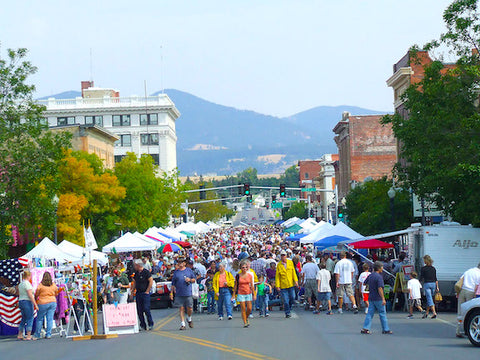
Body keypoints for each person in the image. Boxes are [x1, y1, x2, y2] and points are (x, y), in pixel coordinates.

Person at [361, 261, 392, 335]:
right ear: (379, 268)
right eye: (382, 267)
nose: (382, 268)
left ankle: (366, 328)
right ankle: (385, 329)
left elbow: (365, 283)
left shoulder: (370, 275)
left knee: (370, 313)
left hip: (371, 297)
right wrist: (383, 298)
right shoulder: (379, 277)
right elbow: (380, 288)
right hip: (378, 298)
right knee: (382, 313)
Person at [170, 257, 196, 330]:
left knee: (189, 308)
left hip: (188, 292)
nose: (180, 264)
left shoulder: (189, 270)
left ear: (184, 263)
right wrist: (171, 293)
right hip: (179, 293)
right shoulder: (176, 272)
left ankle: (189, 318)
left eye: (182, 262)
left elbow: (194, 279)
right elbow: (173, 283)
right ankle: (183, 324)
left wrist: (190, 280)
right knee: (181, 308)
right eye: (179, 262)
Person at [456, 262, 480, 337]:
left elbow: (460, 281)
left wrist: (458, 292)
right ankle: (469, 329)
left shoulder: (468, 271)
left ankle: (458, 331)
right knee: (468, 312)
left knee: (460, 311)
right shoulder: (479, 274)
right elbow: (476, 286)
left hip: (462, 291)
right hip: (471, 291)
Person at [33, 272, 59, 340]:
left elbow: (37, 293)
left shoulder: (40, 285)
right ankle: (48, 334)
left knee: (40, 319)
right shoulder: (53, 285)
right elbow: (56, 293)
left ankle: (37, 334)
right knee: (49, 319)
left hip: (42, 302)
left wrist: (36, 299)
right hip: (52, 302)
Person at [131, 259, 154, 331]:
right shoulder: (136, 273)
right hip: (138, 293)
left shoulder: (146, 272)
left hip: (145, 293)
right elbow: (134, 282)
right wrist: (132, 292)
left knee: (146, 309)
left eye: (135, 265)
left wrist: (147, 291)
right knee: (139, 310)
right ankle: (142, 325)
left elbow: (151, 281)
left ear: (138, 265)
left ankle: (150, 323)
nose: (134, 267)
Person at [275, 250, 298, 318]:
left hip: (291, 284)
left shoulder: (290, 262)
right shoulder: (279, 265)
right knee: (285, 300)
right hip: (283, 285)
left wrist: (296, 281)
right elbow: (277, 276)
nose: (283, 257)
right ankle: (287, 312)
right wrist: (277, 285)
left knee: (292, 297)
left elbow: (293, 272)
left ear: (286, 256)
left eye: (284, 255)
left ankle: (289, 308)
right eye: (282, 255)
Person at [234, 260, 256, 327]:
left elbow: (252, 285)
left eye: (246, 267)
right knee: (243, 308)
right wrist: (233, 295)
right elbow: (235, 285)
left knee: (249, 308)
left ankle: (246, 317)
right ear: (240, 268)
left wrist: (254, 294)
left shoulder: (249, 275)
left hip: (248, 292)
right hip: (241, 293)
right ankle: (245, 322)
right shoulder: (238, 276)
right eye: (243, 267)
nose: (244, 269)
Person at [17, 270, 38, 340]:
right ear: (28, 276)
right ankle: (28, 334)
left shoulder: (21, 284)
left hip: (21, 301)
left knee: (23, 318)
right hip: (27, 301)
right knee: (30, 318)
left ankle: (20, 333)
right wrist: (35, 304)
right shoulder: (27, 284)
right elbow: (30, 295)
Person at [420, 255, 438, 319]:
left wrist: (419, 283)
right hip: (433, 284)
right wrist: (437, 287)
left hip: (427, 284)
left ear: (425, 261)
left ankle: (434, 312)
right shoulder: (433, 268)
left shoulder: (423, 269)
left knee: (429, 298)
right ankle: (427, 313)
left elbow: (421, 277)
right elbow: (435, 278)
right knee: (430, 298)